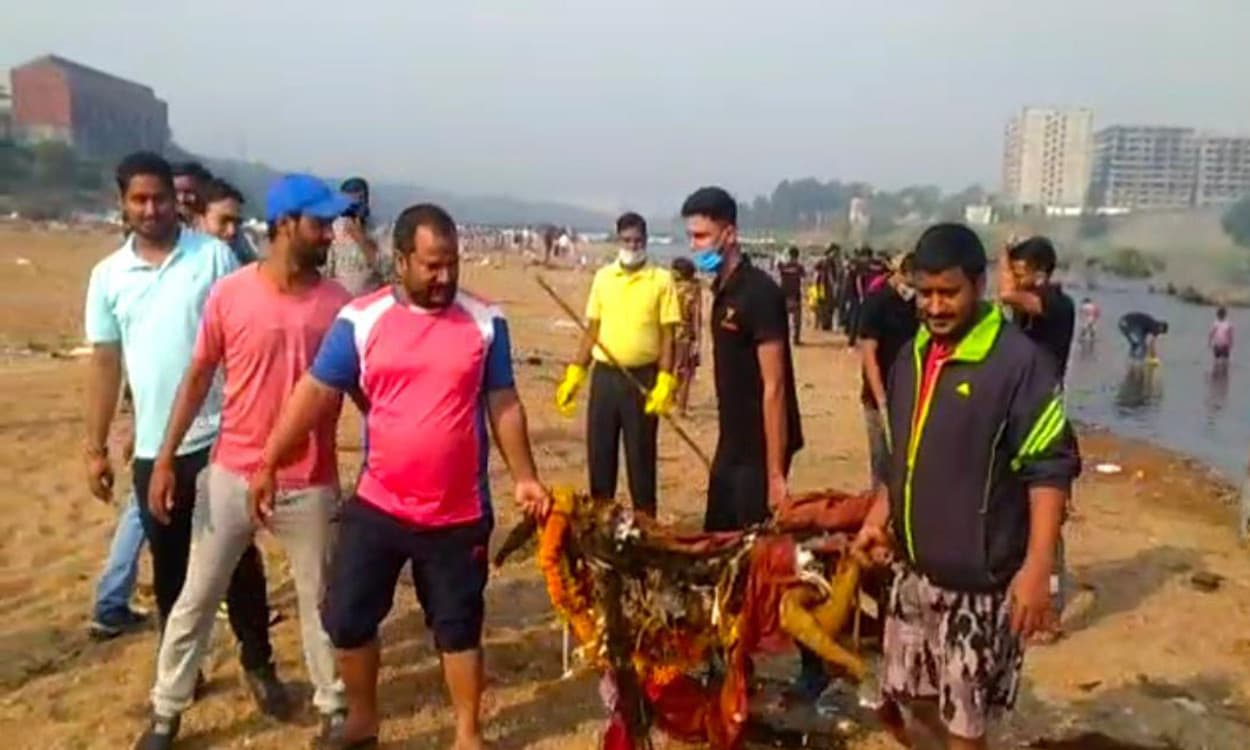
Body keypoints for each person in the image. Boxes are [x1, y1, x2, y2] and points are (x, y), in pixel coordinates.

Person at [252, 203, 550, 749]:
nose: (445, 277)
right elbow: (315, 392)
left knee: (458, 627)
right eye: (432, 265)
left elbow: (503, 402)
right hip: (380, 504)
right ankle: (363, 718)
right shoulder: (361, 320)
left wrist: (524, 477)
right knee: (345, 617)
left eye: (452, 265)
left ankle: (467, 733)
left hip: (458, 512)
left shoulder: (485, 322)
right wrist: (269, 461)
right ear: (401, 260)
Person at [134, 175, 354, 749]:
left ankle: (334, 706)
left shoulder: (338, 306)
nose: (329, 233)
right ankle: (166, 711)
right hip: (231, 474)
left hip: (310, 481)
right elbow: (199, 374)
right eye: (319, 223)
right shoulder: (231, 294)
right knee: (197, 597)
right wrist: (163, 459)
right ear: (285, 225)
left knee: (321, 603)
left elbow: (367, 391)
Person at [852, 223, 1080, 750]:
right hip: (913, 572)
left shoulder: (1020, 363)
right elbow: (900, 457)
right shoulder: (909, 357)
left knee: (965, 725)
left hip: (981, 585)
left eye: (947, 293)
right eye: (925, 293)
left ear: (978, 284)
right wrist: (876, 520)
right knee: (908, 698)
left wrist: (1038, 567)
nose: (934, 307)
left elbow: (1048, 470)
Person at [83, 152, 277, 725]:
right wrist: (94, 446)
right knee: (170, 573)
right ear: (122, 202)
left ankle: (259, 663)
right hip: (153, 452)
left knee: (239, 564)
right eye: (138, 199)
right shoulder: (108, 277)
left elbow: (244, 337)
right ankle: (181, 673)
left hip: (222, 440)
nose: (150, 209)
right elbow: (104, 363)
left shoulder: (213, 257)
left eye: (160, 198)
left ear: (177, 199)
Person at [681, 186, 816, 697]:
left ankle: (813, 660)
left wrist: (777, 473)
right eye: (692, 237)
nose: (697, 246)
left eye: (703, 236)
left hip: (762, 449)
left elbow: (775, 386)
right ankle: (727, 658)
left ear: (729, 233)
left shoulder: (759, 294)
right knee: (719, 549)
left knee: (763, 558)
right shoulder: (722, 289)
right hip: (732, 445)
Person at [554, 212, 681, 514]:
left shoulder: (661, 280)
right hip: (605, 378)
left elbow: (668, 336)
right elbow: (592, 330)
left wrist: (665, 380)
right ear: (618, 240)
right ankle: (602, 521)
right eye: (626, 240)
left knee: (640, 456)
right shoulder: (603, 278)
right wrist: (575, 373)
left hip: (643, 378)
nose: (632, 245)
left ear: (646, 242)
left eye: (637, 240)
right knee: (601, 453)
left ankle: (646, 525)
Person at [856, 253, 918, 493]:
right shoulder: (877, 303)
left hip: (909, 392)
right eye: (910, 281)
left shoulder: (917, 305)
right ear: (900, 274)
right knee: (882, 460)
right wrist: (880, 397)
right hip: (878, 396)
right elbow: (869, 353)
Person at [999, 237, 1076, 380]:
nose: (1014, 281)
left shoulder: (1056, 302)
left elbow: (1007, 295)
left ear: (1040, 276)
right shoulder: (1026, 301)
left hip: (1042, 389)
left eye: (1019, 276)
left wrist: (1004, 255)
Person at [325, 176, 386, 297]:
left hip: (369, 301)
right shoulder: (333, 230)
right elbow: (327, 270)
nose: (353, 207)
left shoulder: (380, 230)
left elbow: (386, 269)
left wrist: (360, 238)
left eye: (358, 200)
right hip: (340, 301)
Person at [198, 177, 258, 265]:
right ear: (201, 218)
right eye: (223, 220)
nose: (232, 231)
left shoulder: (243, 255)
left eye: (237, 222)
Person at [671, 256, 703, 417]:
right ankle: (681, 407)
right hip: (685, 334)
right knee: (685, 372)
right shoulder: (693, 290)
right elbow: (696, 316)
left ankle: (670, 399)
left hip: (668, 332)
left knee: (670, 367)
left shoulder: (670, 287)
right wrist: (698, 340)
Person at [777, 246, 806, 345]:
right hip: (795, 295)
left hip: (784, 295)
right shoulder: (799, 267)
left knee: (782, 320)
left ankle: (782, 339)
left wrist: (781, 256)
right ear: (797, 256)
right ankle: (795, 340)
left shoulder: (783, 266)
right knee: (796, 321)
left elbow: (775, 267)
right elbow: (805, 278)